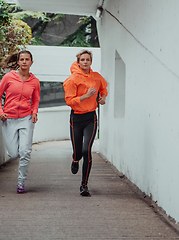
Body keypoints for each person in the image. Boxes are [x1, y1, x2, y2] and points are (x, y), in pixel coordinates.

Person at [0, 50, 40, 194]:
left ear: (31, 62)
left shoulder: (35, 81)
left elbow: (36, 99)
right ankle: (18, 150)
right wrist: (1, 112)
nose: (25, 62)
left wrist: (34, 112)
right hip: (9, 118)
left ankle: (21, 182)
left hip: (26, 118)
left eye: (27, 59)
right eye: (22, 59)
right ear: (18, 62)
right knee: (14, 154)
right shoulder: (8, 77)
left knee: (25, 152)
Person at [63, 49, 108, 196]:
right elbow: (69, 101)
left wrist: (102, 98)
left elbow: (103, 88)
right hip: (76, 118)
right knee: (78, 151)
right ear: (78, 62)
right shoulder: (72, 79)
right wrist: (85, 96)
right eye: (82, 59)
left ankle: (84, 185)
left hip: (90, 118)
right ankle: (75, 159)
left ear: (91, 61)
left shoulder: (96, 77)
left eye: (88, 59)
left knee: (86, 150)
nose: (85, 62)